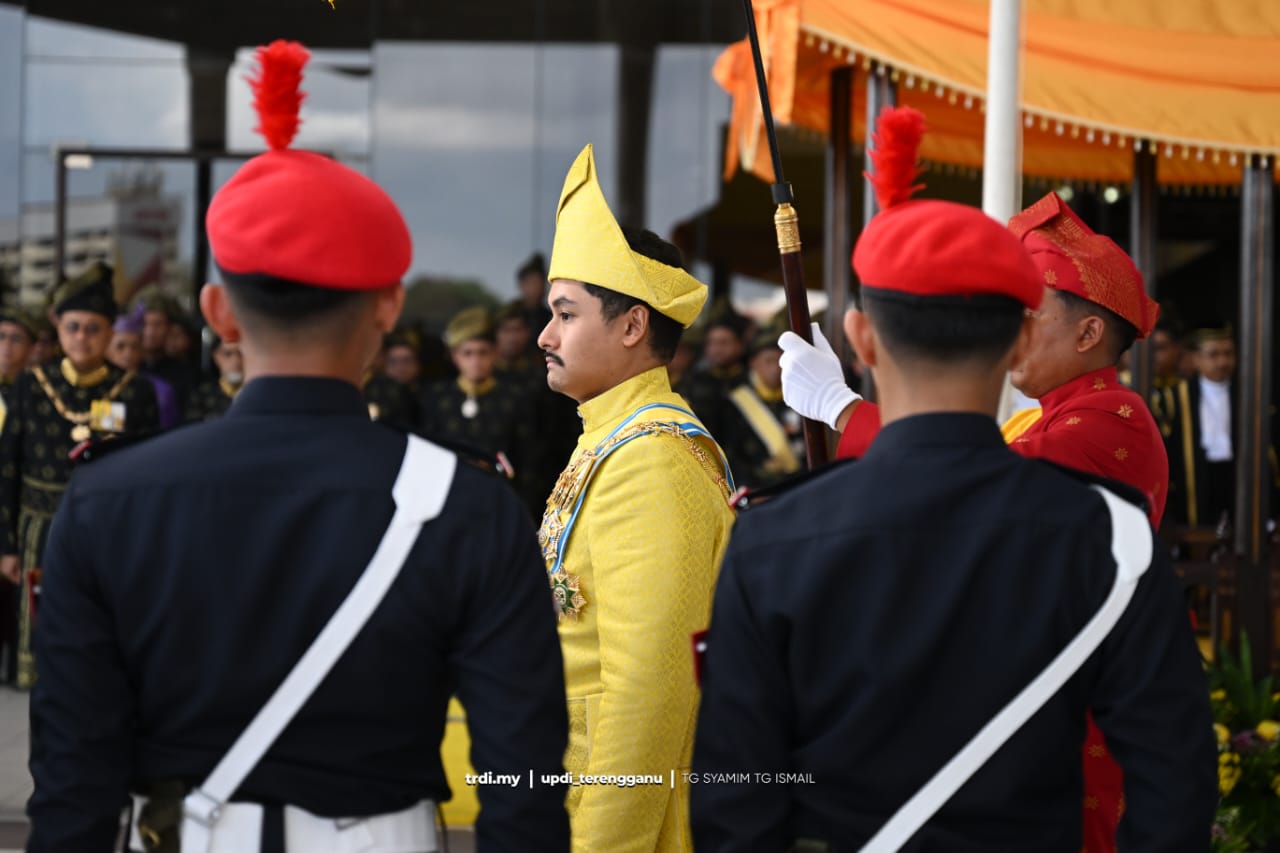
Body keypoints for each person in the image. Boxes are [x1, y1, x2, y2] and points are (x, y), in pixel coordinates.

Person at [26, 40, 569, 853]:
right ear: (388, 307)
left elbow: (73, 784)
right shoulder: (472, 508)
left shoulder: (106, 500)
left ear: (218, 312)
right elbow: (524, 788)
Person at [691, 105, 1216, 852]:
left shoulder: (772, 539)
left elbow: (735, 800)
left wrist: (844, 409)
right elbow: (1179, 784)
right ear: (1017, 337)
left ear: (862, 337)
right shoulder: (1099, 503)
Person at [537, 143, 735, 852]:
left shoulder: (648, 459)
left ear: (632, 325)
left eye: (566, 314)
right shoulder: (613, 435)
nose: (545, 336)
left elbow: (648, 692)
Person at [0, 261, 160, 690]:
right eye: (73, 328)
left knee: (95, 615)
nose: (82, 338)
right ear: (59, 330)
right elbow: (7, 466)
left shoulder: (135, 390)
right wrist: (6, 545)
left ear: (110, 333)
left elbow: (149, 471)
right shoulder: (31, 385)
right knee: (39, 615)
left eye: (93, 329)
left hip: (106, 526)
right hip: (39, 524)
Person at [420, 305, 538, 515]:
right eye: (467, 353)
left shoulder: (515, 398)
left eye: (483, 352)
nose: (475, 361)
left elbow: (528, 462)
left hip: (500, 503)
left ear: (495, 353)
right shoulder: (436, 398)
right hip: (448, 504)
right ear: (454, 356)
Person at [715, 327, 803, 490]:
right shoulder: (735, 402)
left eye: (780, 361)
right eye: (768, 361)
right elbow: (732, 455)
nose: (776, 368)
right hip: (759, 489)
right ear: (753, 363)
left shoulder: (798, 396)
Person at [108, 303, 181, 429]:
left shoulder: (160, 389)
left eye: (135, 347)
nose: (128, 354)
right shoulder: (101, 387)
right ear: (106, 349)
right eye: (120, 346)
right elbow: (107, 433)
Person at [184, 335, 244, 422]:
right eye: (227, 354)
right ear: (216, 357)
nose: (236, 361)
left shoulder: (257, 393)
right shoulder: (202, 395)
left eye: (241, 354)